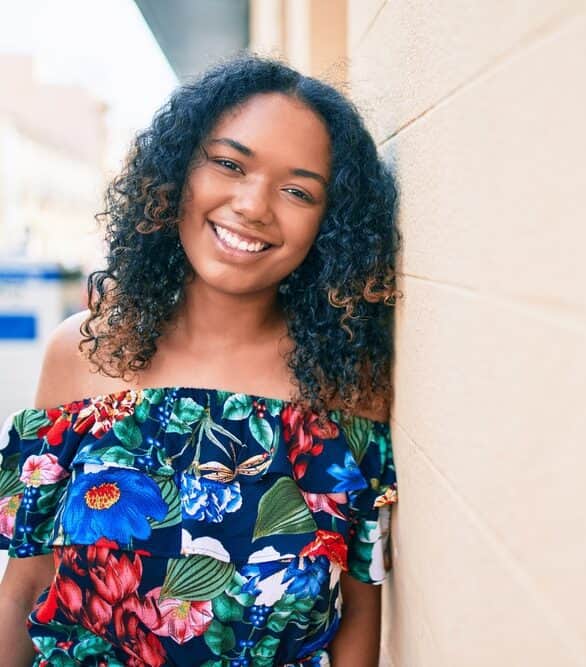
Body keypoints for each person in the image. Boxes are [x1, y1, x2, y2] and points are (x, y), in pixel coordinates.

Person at [0, 54, 400, 667]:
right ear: (178, 175)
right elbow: (25, 585)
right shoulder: (82, 355)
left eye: (298, 190)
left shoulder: (344, 387)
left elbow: (360, 615)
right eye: (229, 164)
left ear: (332, 223)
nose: (253, 205)